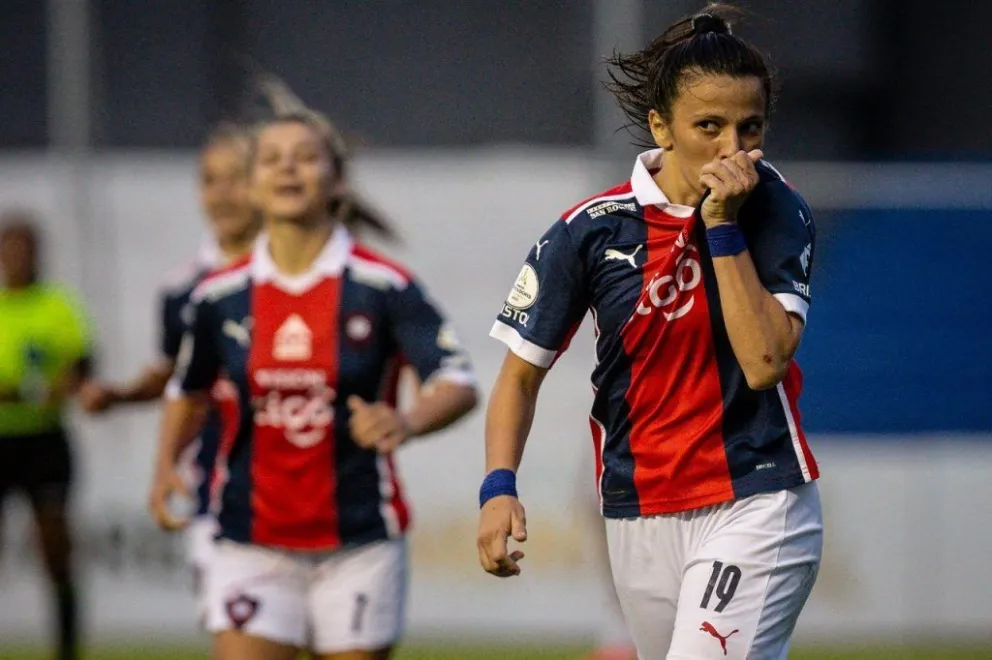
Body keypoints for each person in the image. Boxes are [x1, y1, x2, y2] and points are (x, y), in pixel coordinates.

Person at [477, 5, 822, 658]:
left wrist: (721, 226)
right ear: (661, 126)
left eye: (749, 128)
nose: (731, 148)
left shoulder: (776, 209)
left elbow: (766, 360)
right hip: (638, 512)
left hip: (756, 498)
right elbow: (520, 376)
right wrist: (498, 487)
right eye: (709, 126)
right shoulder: (590, 229)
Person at [148, 88, 479, 660]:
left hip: (359, 542)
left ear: (338, 180)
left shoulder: (383, 287)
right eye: (271, 159)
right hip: (249, 541)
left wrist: (407, 420)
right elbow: (187, 390)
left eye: (305, 156)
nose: (288, 169)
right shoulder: (218, 297)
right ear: (252, 186)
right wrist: (164, 470)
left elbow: (457, 381)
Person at [79, 124, 260, 624]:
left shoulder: (306, 276)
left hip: (310, 486)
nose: (222, 193)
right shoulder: (183, 290)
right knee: (234, 634)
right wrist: (117, 395)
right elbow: (176, 377)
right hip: (218, 490)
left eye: (236, 178)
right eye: (210, 180)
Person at [0, 214, 97, 660]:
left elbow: (80, 368)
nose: (17, 258)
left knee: (55, 550)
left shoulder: (58, 305)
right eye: (10, 249)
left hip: (44, 441)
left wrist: (32, 390)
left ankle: (66, 647)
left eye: (25, 249)